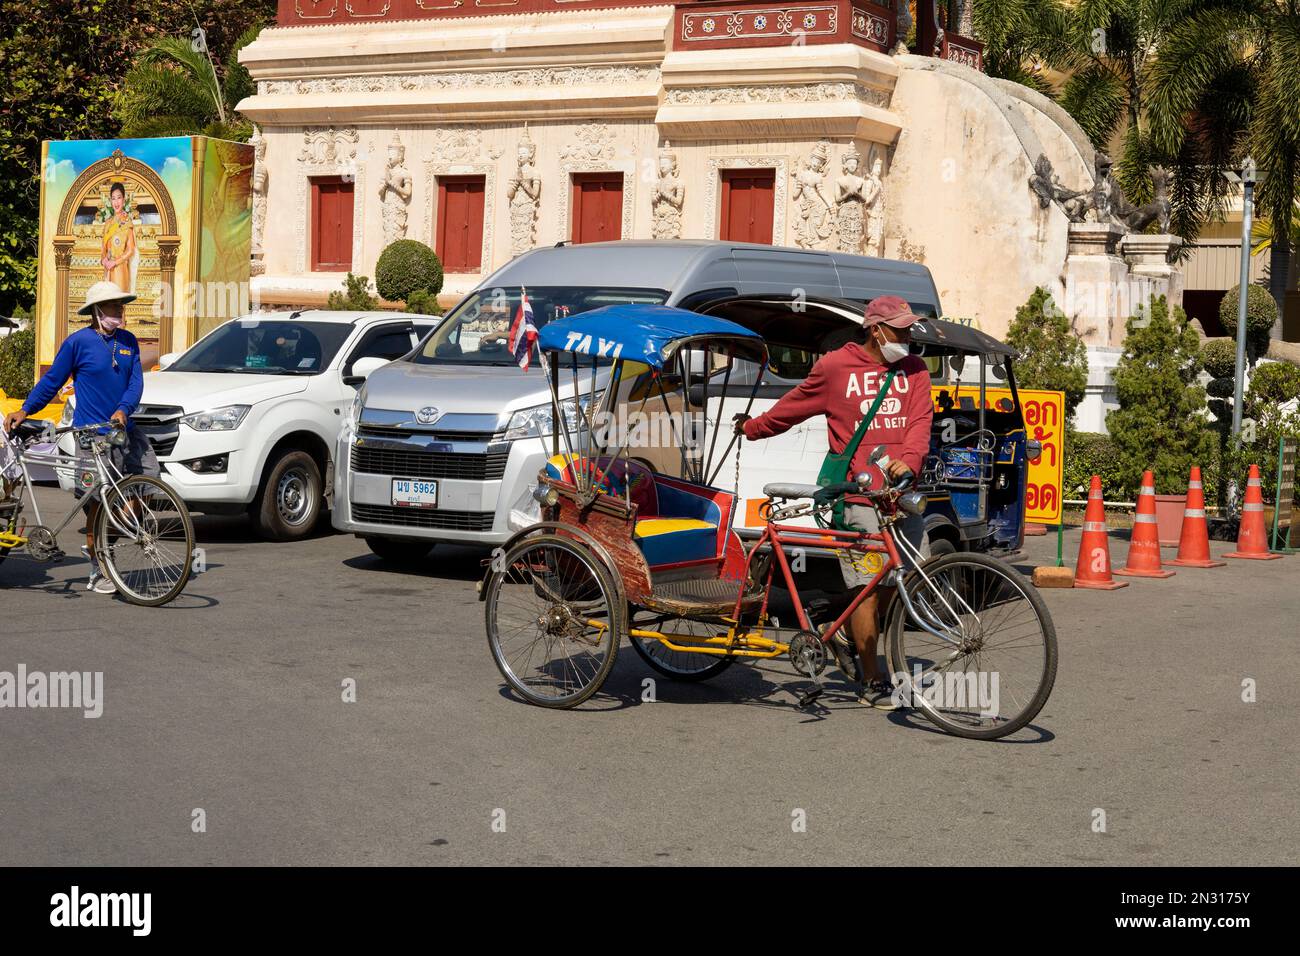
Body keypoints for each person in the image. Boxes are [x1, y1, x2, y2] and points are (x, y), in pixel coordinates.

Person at [734, 295, 933, 707]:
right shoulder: (835, 367)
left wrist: (909, 461)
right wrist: (752, 428)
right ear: (876, 330)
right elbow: (793, 407)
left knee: (899, 580)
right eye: (900, 329)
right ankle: (871, 677)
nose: (908, 336)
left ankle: (840, 630)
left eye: (910, 328)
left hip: (902, 491)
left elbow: (919, 422)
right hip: (857, 495)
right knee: (864, 586)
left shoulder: (915, 371)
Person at [3, 281, 157, 594]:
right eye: (113, 307)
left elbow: (135, 384)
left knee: (147, 484)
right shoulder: (78, 343)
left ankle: (104, 541)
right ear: (97, 311)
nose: (120, 312)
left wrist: (124, 410)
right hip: (91, 437)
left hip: (124, 431)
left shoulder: (128, 341)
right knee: (96, 505)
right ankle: (98, 567)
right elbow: (52, 381)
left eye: (121, 306)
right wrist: (25, 409)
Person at [100, 182, 136, 293]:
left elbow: (131, 250)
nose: (116, 202)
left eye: (119, 198)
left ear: (124, 200)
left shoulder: (127, 223)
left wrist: (115, 262)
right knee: (107, 305)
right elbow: (103, 249)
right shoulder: (108, 223)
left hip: (120, 270)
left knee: (119, 306)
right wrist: (104, 260)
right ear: (110, 201)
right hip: (108, 271)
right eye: (113, 198)